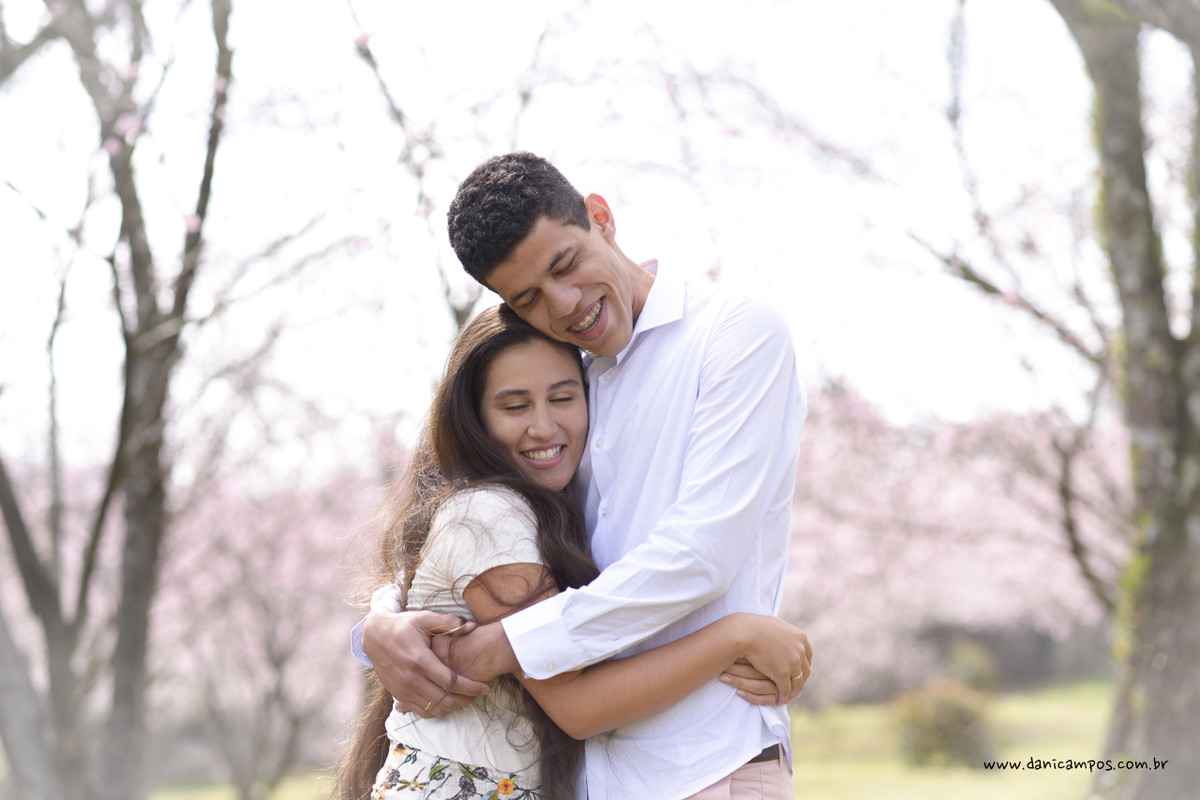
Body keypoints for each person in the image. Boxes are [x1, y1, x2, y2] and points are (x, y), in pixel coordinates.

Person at [360, 152, 809, 799]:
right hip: (593, 774)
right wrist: (380, 625)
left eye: (566, 264)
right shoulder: (566, 377)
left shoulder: (731, 333)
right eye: (529, 298)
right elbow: (481, 516)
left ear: (601, 217)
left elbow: (700, 554)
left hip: (708, 759)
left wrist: (507, 643)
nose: (565, 305)